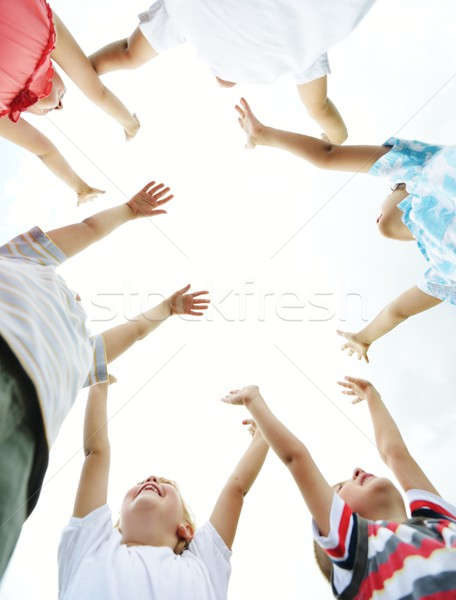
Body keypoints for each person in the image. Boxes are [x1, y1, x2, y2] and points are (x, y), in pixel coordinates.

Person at [0, 179, 210, 579]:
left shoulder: (82, 352)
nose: (78, 301)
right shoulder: (25, 260)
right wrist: (129, 211)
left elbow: (134, 332)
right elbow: (91, 230)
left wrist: (167, 308)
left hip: (28, 435)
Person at [235, 98, 456, 361]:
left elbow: (329, 155)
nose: (379, 221)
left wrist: (265, 135)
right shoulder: (443, 270)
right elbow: (399, 310)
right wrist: (363, 337)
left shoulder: (421, 168)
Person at [222, 378, 456, 599]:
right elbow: (296, 458)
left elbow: (396, 453)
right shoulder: (360, 549)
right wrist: (252, 400)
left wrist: (371, 395)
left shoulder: (439, 519)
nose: (357, 471)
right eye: (340, 487)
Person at [57, 379, 268, 600]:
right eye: (140, 484)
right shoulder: (93, 545)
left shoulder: (203, 564)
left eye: (165, 485)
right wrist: (98, 383)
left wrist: (263, 435)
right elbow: (96, 453)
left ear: (186, 530)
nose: (150, 479)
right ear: (117, 529)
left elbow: (236, 488)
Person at [89, 0, 377, 145]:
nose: (222, 83)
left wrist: (334, 138)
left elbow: (128, 53)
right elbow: (126, 54)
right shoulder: (296, 44)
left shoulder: (297, 45)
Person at [0, 0, 140, 204]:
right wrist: (130, 124)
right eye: (62, 97)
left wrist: (130, 124)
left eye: (59, 101)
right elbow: (45, 150)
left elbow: (46, 151)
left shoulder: (42, 26)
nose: (59, 106)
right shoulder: (42, 26)